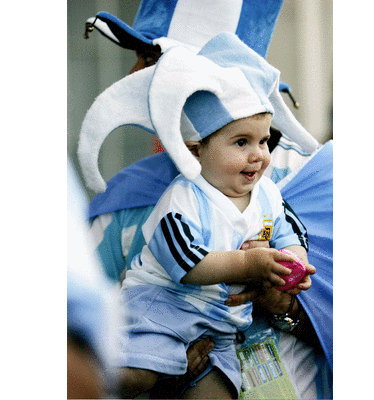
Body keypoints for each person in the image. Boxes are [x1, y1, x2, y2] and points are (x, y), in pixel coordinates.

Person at [79, 32, 316, 399]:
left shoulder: (269, 193)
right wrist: (249, 264)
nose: (259, 154)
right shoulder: (183, 198)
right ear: (194, 150)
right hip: (164, 310)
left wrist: (293, 264)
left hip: (221, 327)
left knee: (217, 391)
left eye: (264, 141)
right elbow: (185, 262)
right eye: (242, 142)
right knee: (138, 373)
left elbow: (288, 232)